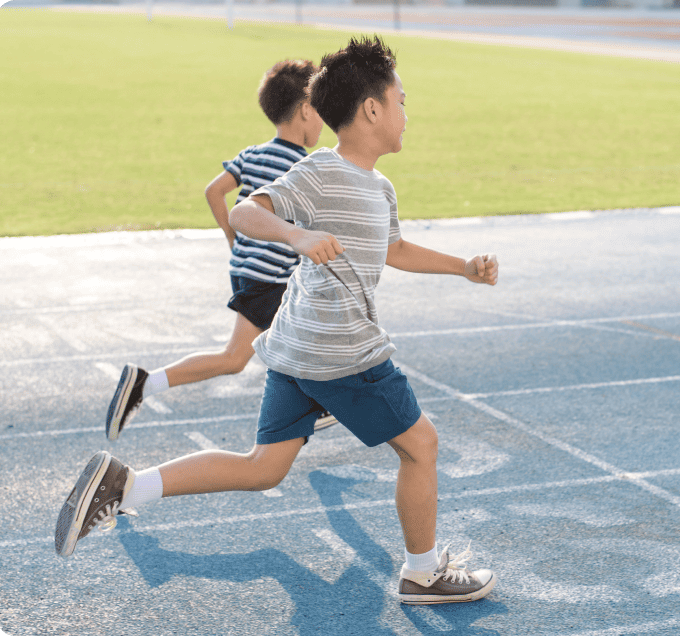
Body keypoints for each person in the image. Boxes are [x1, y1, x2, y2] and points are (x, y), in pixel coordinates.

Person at [56, 35, 499, 606]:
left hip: (295, 351)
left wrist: (463, 267)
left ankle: (126, 486)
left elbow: (395, 249)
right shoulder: (317, 172)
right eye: (401, 102)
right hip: (342, 355)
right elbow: (245, 209)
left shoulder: (379, 188)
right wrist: (297, 233)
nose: (406, 115)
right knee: (421, 446)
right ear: (371, 109)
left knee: (264, 467)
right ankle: (423, 571)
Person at [105, 59, 337, 442]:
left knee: (301, 333)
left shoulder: (253, 154)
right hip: (269, 277)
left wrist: (234, 236)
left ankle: (316, 403)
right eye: (321, 113)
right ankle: (145, 384)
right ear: (306, 111)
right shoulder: (304, 166)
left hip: (248, 269)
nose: (324, 122)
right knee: (235, 358)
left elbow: (214, 191)